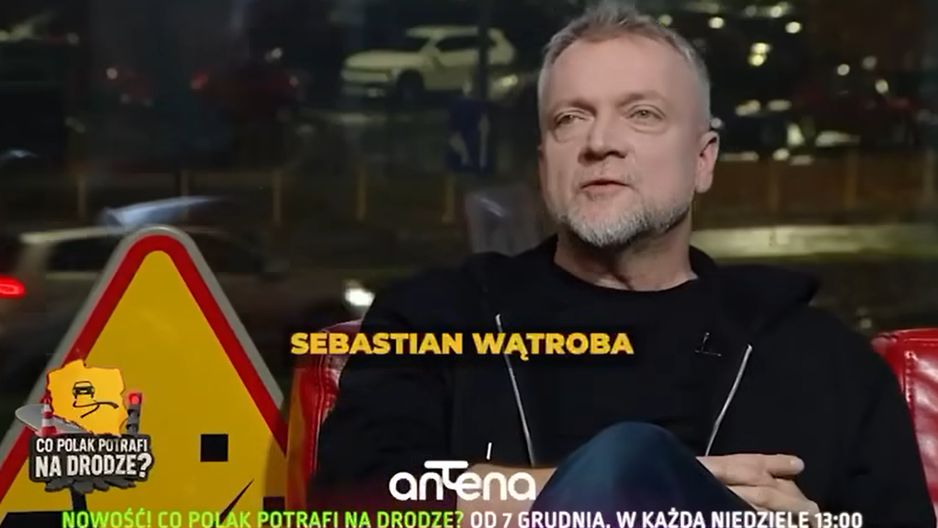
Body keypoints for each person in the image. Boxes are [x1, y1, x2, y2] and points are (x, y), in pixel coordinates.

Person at [313, 2, 935, 526]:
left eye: (642, 115)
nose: (600, 142)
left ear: (703, 159)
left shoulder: (824, 361)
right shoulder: (436, 320)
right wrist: (642, 493)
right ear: (545, 164)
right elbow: (358, 503)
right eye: (570, 119)